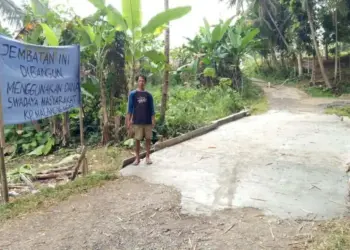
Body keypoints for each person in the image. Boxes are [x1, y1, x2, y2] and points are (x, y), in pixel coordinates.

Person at [126, 75, 155, 165]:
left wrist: (153, 119)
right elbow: (130, 108)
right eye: (139, 81)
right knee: (137, 140)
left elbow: (152, 108)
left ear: (145, 82)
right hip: (137, 121)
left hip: (147, 121)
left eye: (143, 81)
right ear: (137, 82)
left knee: (148, 139)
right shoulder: (133, 94)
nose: (141, 82)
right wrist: (128, 121)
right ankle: (137, 158)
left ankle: (147, 157)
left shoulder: (148, 95)